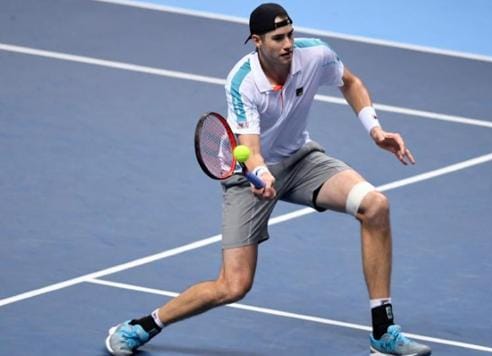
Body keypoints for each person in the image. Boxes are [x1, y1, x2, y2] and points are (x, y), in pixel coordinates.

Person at [105, 3, 431, 355]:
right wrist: (260, 174)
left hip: (302, 160)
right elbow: (252, 151)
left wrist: (375, 129)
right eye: (278, 38)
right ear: (257, 41)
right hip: (250, 179)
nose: (289, 43)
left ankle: (383, 332)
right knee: (233, 285)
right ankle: (145, 325)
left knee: (375, 206)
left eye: (290, 34)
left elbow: (350, 81)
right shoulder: (242, 81)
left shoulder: (315, 54)